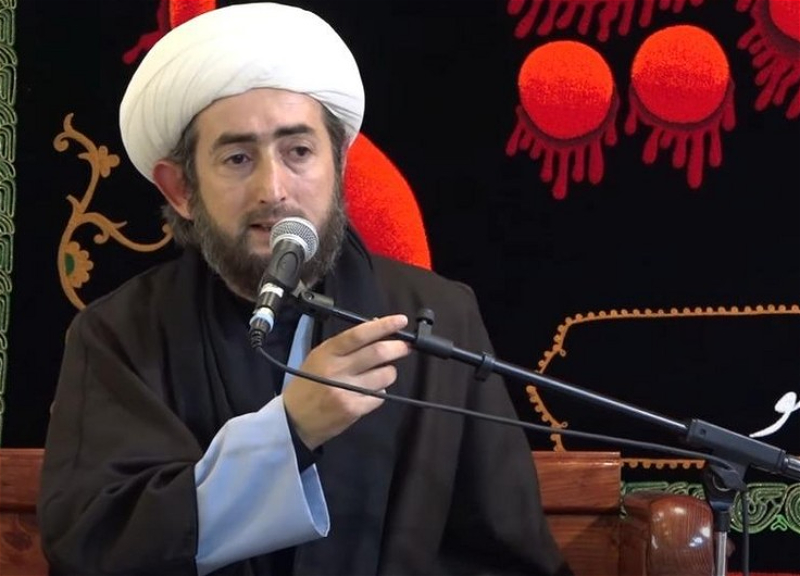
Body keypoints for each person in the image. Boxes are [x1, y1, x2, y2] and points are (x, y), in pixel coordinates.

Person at [37, 3, 571, 575]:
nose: (273, 189)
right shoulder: (118, 335)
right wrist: (290, 432)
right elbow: (96, 542)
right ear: (181, 190)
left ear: (338, 164)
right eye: (237, 158)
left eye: (298, 152)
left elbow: (503, 553)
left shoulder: (437, 314)